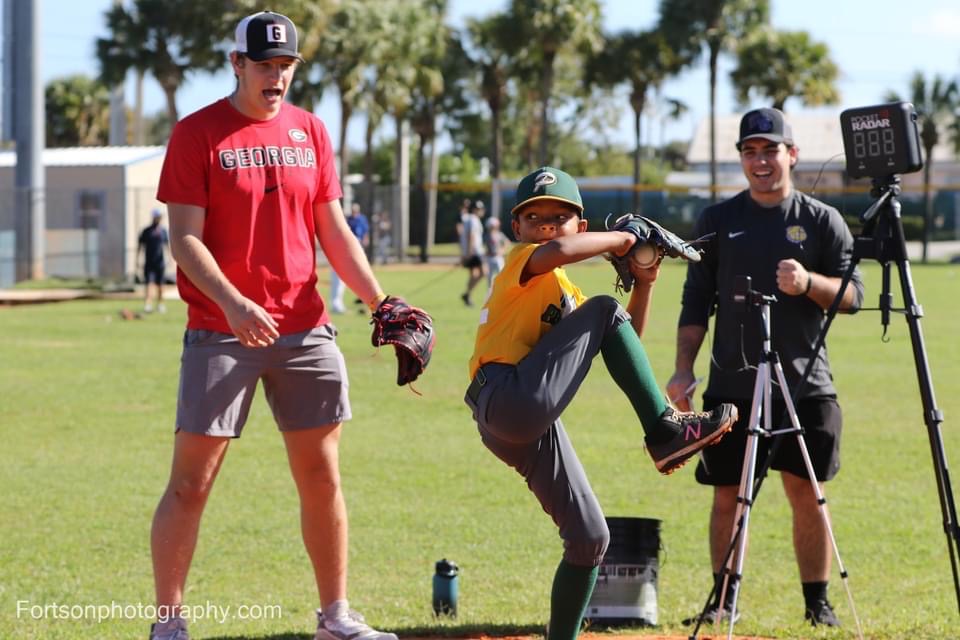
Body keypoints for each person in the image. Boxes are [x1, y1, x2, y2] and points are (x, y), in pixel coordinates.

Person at [150, 11, 401, 640]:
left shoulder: (311, 131)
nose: (277, 77)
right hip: (220, 329)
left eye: (286, 66)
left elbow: (333, 230)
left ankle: (335, 616)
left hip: (304, 327)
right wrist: (234, 302)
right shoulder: (196, 134)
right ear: (236, 64)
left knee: (322, 475)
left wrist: (382, 302)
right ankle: (170, 623)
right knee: (191, 483)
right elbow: (184, 239)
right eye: (265, 65)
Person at [464, 166, 739, 640]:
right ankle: (664, 431)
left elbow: (623, 335)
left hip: (525, 419)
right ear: (518, 229)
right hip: (504, 395)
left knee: (590, 538)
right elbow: (558, 253)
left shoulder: (569, 294)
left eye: (561, 216)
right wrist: (621, 240)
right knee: (605, 309)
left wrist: (646, 281)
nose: (547, 224)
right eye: (535, 217)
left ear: (581, 225)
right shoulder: (522, 260)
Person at [666, 108, 864, 628]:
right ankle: (722, 601)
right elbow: (695, 302)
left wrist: (809, 284)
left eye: (770, 150)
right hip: (732, 383)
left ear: (792, 155)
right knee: (728, 496)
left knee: (808, 494)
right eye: (750, 151)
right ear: (741, 158)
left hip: (806, 384)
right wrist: (684, 370)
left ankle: (817, 604)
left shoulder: (824, 221)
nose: (760, 160)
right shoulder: (717, 221)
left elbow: (853, 296)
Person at [330, 202, 370, 313]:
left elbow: (365, 232)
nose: (354, 213)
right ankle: (336, 304)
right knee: (340, 278)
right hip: (344, 251)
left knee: (356, 275)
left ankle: (363, 298)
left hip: (355, 249)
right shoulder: (347, 220)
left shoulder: (362, 219)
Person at [138, 208, 170, 313]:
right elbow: (140, 246)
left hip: (160, 262)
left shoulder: (163, 231)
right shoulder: (147, 231)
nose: (159, 219)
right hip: (149, 262)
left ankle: (160, 304)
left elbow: (167, 246)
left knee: (161, 284)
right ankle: (148, 304)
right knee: (149, 284)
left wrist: (170, 259)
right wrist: (138, 260)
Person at [458, 198, 485, 306]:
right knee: (483, 272)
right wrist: (469, 252)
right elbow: (471, 235)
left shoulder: (469, 218)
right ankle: (467, 294)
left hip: (471, 251)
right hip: (474, 251)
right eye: (479, 209)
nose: (481, 211)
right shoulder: (473, 219)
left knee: (474, 274)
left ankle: (467, 295)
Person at [483, 212, 508, 288]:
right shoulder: (486, 236)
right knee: (490, 278)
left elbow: (507, 242)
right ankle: (490, 295)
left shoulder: (499, 234)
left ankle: (502, 292)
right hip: (489, 258)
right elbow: (483, 246)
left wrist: (502, 250)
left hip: (498, 257)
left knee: (501, 276)